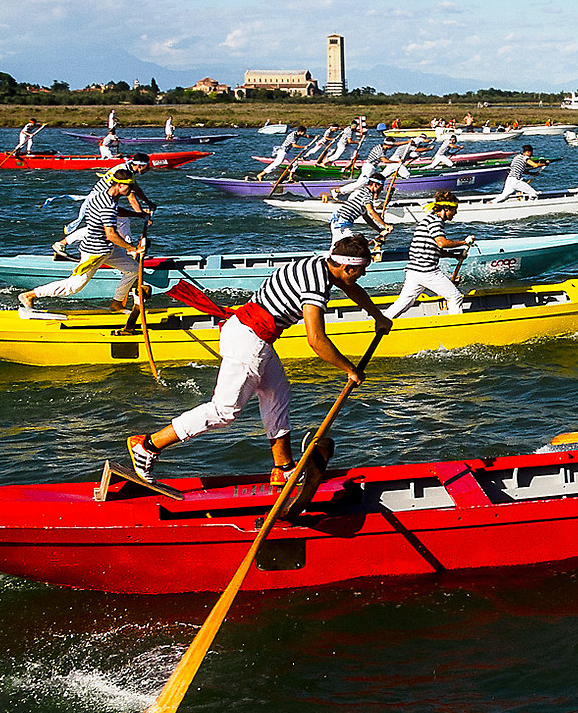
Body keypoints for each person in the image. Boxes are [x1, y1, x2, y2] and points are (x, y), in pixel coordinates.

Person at [126, 235, 391, 485]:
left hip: (252, 334)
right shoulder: (316, 284)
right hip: (248, 339)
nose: (362, 275)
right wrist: (350, 369)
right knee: (224, 411)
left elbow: (349, 287)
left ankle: (283, 468)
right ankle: (147, 446)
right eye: (361, 270)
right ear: (346, 267)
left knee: (277, 394)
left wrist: (376, 315)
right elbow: (316, 340)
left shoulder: (318, 263)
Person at [19, 168, 148, 317]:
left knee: (133, 269)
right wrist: (133, 249)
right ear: (119, 185)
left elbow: (117, 211)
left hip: (107, 249)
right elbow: (111, 234)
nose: (132, 190)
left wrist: (138, 214)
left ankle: (116, 304)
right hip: (96, 252)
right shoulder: (108, 206)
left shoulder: (102, 196)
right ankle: (29, 295)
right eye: (129, 186)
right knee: (73, 287)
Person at [383, 195, 472, 318]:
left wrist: (454, 255)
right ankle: (455, 327)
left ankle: (381, 321)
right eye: (454, 210)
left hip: (414, 270)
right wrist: (464, 242)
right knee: (454, 297)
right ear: (445, 209)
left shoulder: (429, 219)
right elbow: (442, 243)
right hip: (426, 271)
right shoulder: (435, 222)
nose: (455, 213)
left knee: (404, 303)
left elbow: (432, 248)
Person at [327, 173, 389, 242]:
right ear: (375, 185)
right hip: (341, 223)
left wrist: (379, 231)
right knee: (351, 244)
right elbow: (371, 212)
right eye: (381, 186)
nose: (382, 189)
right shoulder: (367, 195)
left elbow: (366, 217)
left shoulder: (362, 191)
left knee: (337, 244)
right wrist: (385, 225)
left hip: (339, 221)